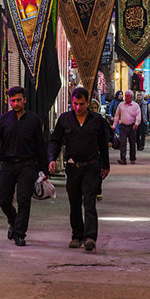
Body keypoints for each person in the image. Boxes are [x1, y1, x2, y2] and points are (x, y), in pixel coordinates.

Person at [48, 87, 110, 252]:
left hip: (91, 166)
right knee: (74, 202)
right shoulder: (64, 120)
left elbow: (103, 144)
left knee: (89, 202)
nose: (78, 107)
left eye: (81, 104)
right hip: (72, 167)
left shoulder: (96, 120)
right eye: (75, 104)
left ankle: (90, 237)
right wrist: (51, 159)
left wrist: (106, 165)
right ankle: (77, 236)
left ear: (88, 103)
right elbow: (55, 141)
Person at [0, 85, 49, 247]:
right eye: (13, 101)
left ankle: (20, 234)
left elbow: (40, 146)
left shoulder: (33, 120)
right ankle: (14, 223)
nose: (16, 103)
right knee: (4, 200)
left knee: (24, 200)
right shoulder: (3, 120)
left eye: (19, 100)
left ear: (25, 100)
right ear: (9, 101)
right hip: (7, 165)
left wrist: (44, 168)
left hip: (27, 165)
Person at [112, 89, 141, 165]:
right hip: (123, 126)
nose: (126, 98)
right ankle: (123, 158)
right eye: (125, 96)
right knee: (123, 143)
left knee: (132, 143)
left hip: (132, 126)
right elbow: (117, 116)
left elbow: (138, 116)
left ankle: (132, 158)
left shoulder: (135, 106)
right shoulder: (121, 105)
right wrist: (114, 126)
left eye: (128, 96)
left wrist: (136, 123)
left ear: (131, 97)